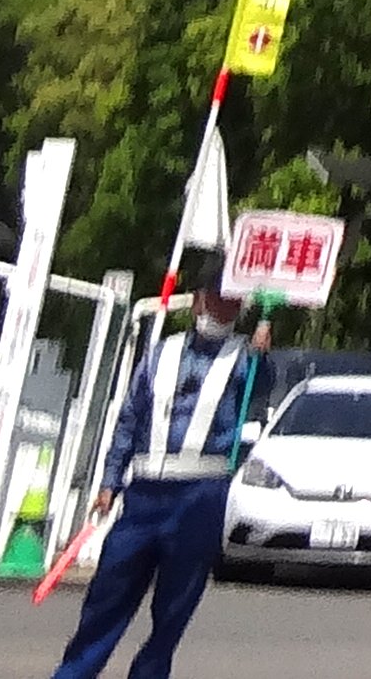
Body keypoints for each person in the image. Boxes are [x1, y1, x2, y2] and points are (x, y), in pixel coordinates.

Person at [52, 254, 274, 679]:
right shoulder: (162, 352)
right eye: (216, 299)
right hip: (145, 490)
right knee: (107, 596)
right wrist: (111, 481)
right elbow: (130, 417)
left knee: (174, 608)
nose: (222, 309)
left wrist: (262, 352)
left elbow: (260, 390)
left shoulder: (244, 359)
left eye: (232, 302)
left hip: (201, 495)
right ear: (198, 300)